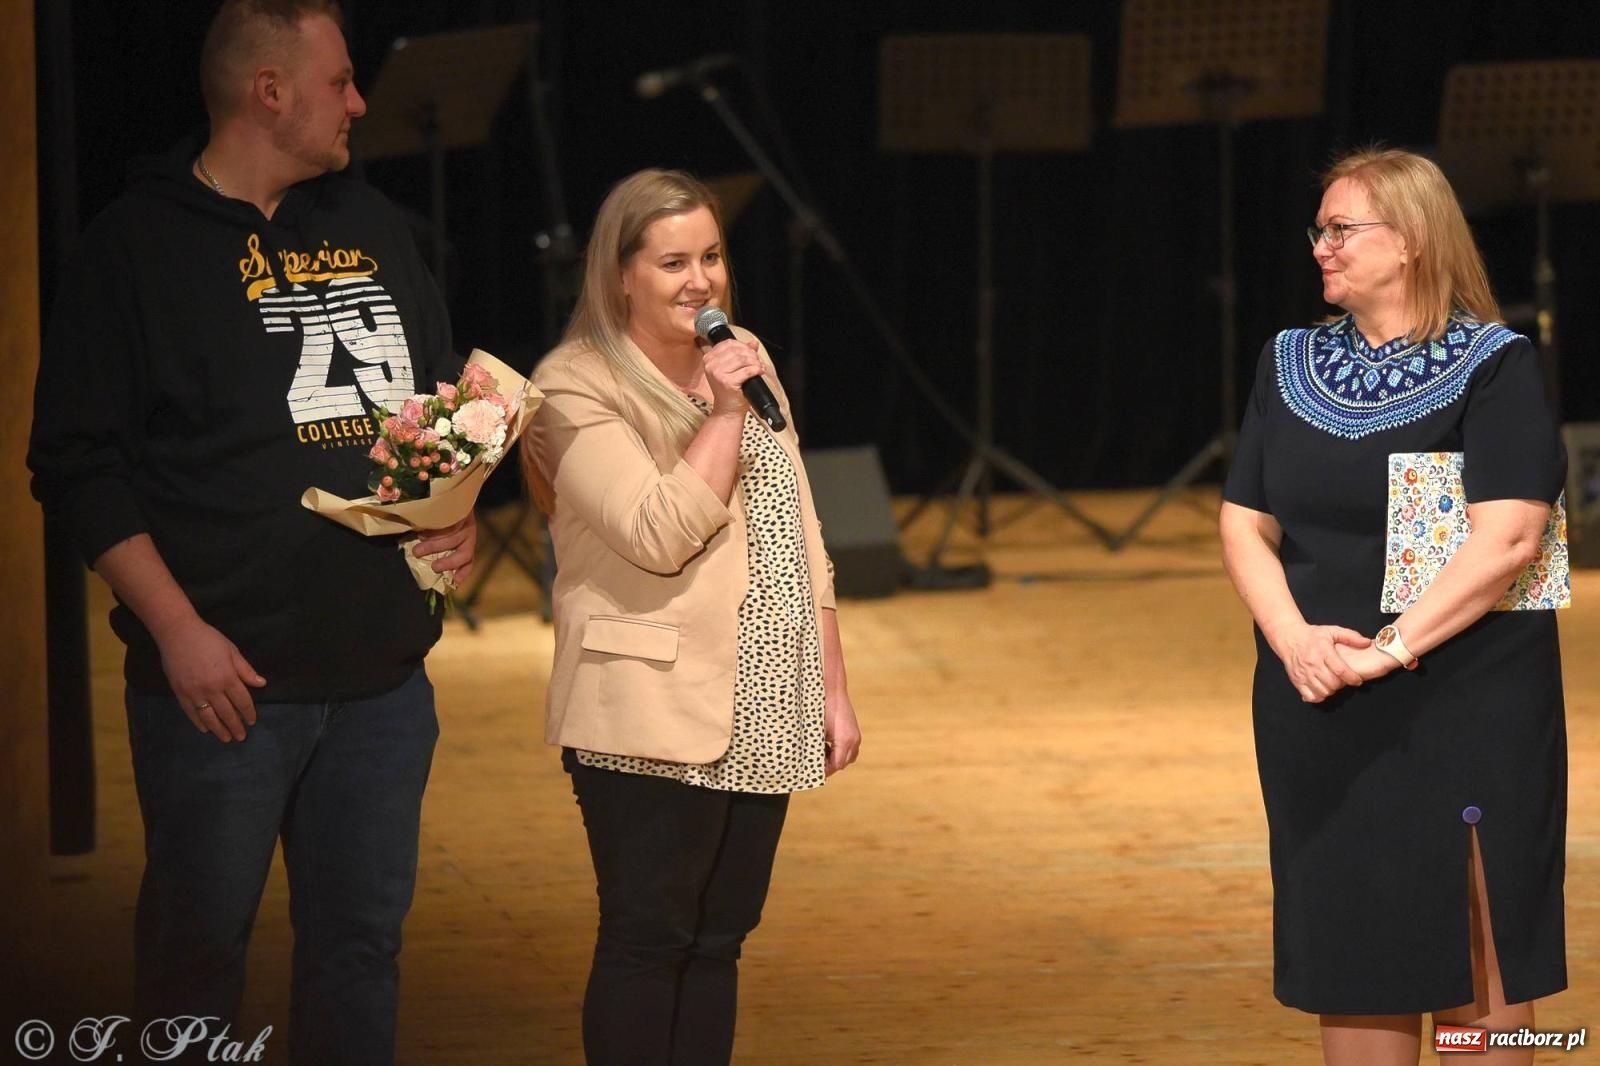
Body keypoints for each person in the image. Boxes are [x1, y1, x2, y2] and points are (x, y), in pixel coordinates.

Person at [27, 2, 475, 1061]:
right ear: (269, 92)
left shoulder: (370, 224)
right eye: (341, 81)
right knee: (196, 959)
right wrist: (178, 630)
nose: (362, 102)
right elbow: (77, 467)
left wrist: (447, 514)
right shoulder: (134, 250)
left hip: (379, 683)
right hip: (224, 692)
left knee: (359, 953)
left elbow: (438, 403)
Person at [1219, 147, 1567, 1066]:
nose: (1321, 248)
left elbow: (1509, 540)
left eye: (1343, 230)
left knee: (1474, 972)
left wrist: (1387, 649)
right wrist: (1292, 639)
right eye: (1319, 230)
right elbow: (1241, 523)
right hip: (1320, 695)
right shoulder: (1287, 360)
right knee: (1356, 952)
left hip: (1467, 702)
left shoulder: (1495, 364)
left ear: (1411, 240)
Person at [525, 168, 862, 1065]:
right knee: (649, 941)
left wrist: (830, 685)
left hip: (761, 699)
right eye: (673, 262)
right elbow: (658, 532)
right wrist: (720, 410)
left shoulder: (743, 351)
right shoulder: (574, 385)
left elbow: (801, 529)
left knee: (719, 943)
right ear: (620, 275)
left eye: (710, 256)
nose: (700, 281)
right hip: (648, 708)